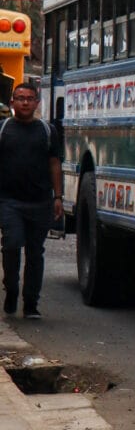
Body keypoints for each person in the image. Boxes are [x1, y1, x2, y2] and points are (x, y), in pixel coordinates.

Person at [0, 83, 63, 319]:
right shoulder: (3, 129)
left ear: (37, 103)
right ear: (12, 102)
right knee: (12, 245)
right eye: (20, 98)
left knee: (36, 253)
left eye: (29, 98)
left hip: (40, 202)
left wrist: (58, 197)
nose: (25, 102)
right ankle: (11, 289)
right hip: (9, 202)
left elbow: (54, 164)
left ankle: (31, 304)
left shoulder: (47, 131)